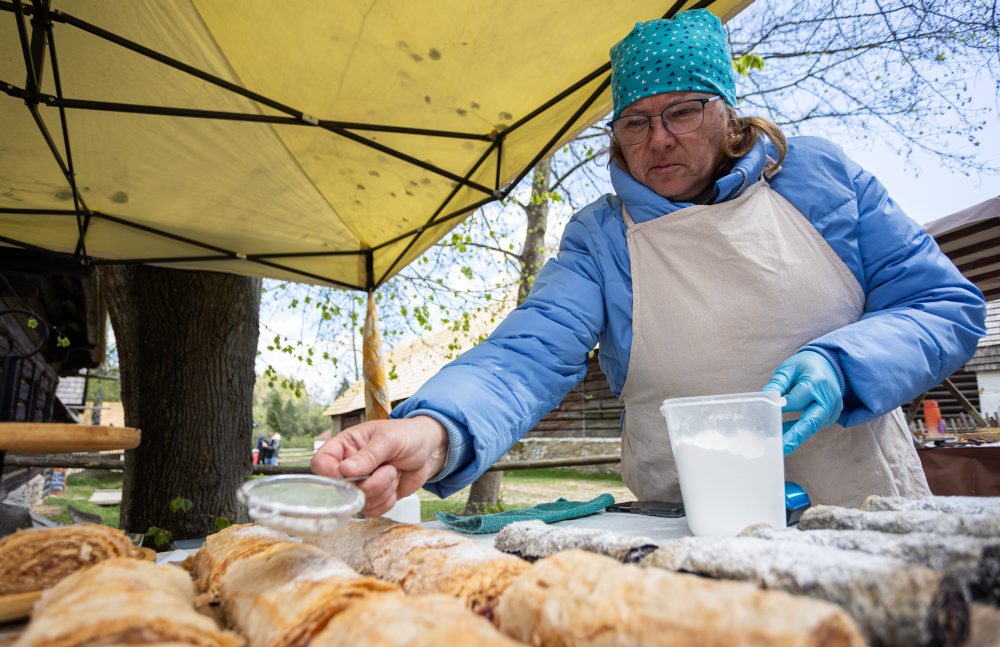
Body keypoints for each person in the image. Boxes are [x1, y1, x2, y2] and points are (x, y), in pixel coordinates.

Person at [313, 10, 986, 517]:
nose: (658, 139)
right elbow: (527, 355)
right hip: (687, 527)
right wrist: (435, 430)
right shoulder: (603, 238)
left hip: (864, 511)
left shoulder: (818, 177)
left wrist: (845, 366)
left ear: (727, 112)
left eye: (682, 113)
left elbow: (944, 307)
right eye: (634, 123)